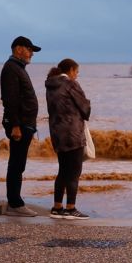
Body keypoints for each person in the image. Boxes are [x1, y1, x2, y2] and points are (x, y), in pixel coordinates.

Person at [44, 56, 93, 217]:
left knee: (63, 170)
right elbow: (85, 109)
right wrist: (88, 103)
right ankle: (71, 208)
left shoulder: (50, 85)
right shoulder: (71, 84)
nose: (77, 75)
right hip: (72, 133)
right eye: (76, 72)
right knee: (74, 172)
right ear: (70, 70)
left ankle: (57, 207)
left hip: (57, 133)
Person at [0, 35, 41, 215]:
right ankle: (15, 204)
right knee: (16, 164)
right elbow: (10, 99)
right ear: (18, 49)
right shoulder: (11, 68)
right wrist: (15, 125)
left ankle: (15, 203)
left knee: (19, 164)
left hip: (25, 124)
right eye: (29, 49)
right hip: (20, 125)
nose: (31, 53)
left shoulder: (18, 68)